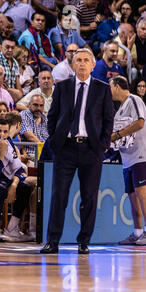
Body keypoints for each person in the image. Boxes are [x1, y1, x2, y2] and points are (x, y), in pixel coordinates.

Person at [41, 48, 115, 254]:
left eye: (86, 60)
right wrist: (55, 140)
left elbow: (108, 120)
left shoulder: (102, 88)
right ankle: (52, 241)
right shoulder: (63, 87)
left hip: (91, 150)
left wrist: (101, 145)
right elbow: (53, 116)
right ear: (73, 64)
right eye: (78, 60)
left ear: (93, 65)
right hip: (65, 148)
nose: (81, 63)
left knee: (89, 198)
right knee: (59, 197)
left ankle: (84, 242)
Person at [110, 76, 146, 245]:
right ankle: (137, 232)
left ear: (117, 86)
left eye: (111, 87)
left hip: (141, 155)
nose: (109, 91)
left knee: (142, 194)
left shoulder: (135, 99)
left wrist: (118, 134)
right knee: (132, 196)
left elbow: (140, 123)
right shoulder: (119, 110)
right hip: (127, 159)